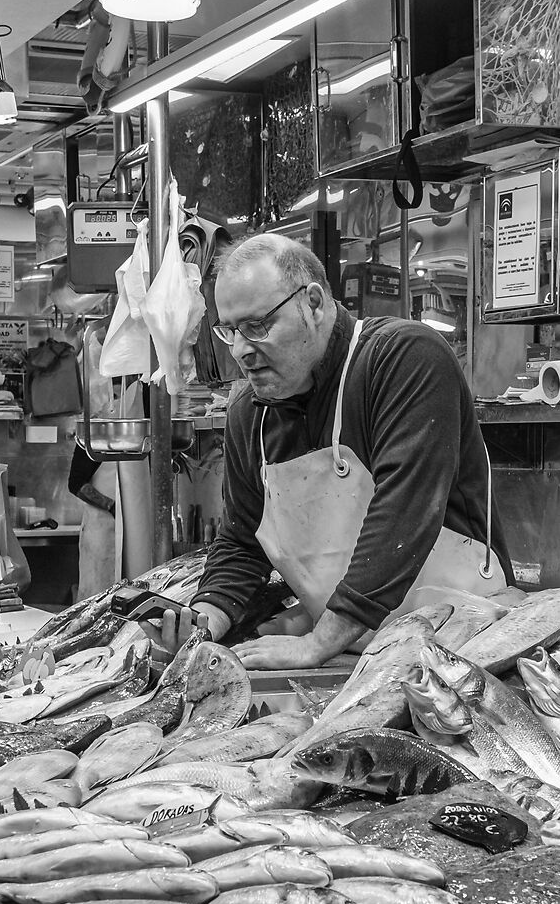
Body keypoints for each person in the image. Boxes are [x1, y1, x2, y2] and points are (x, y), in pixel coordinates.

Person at [188, 233, 514, 669]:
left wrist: (317, 643)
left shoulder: (403, 358)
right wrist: (199, 624)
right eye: (230, 330)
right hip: (358, 654)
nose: (242, 350)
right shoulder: (249, 413)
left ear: (315, 304)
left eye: (258, 326)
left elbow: (404, 513)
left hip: (472, 646)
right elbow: (242, 541)